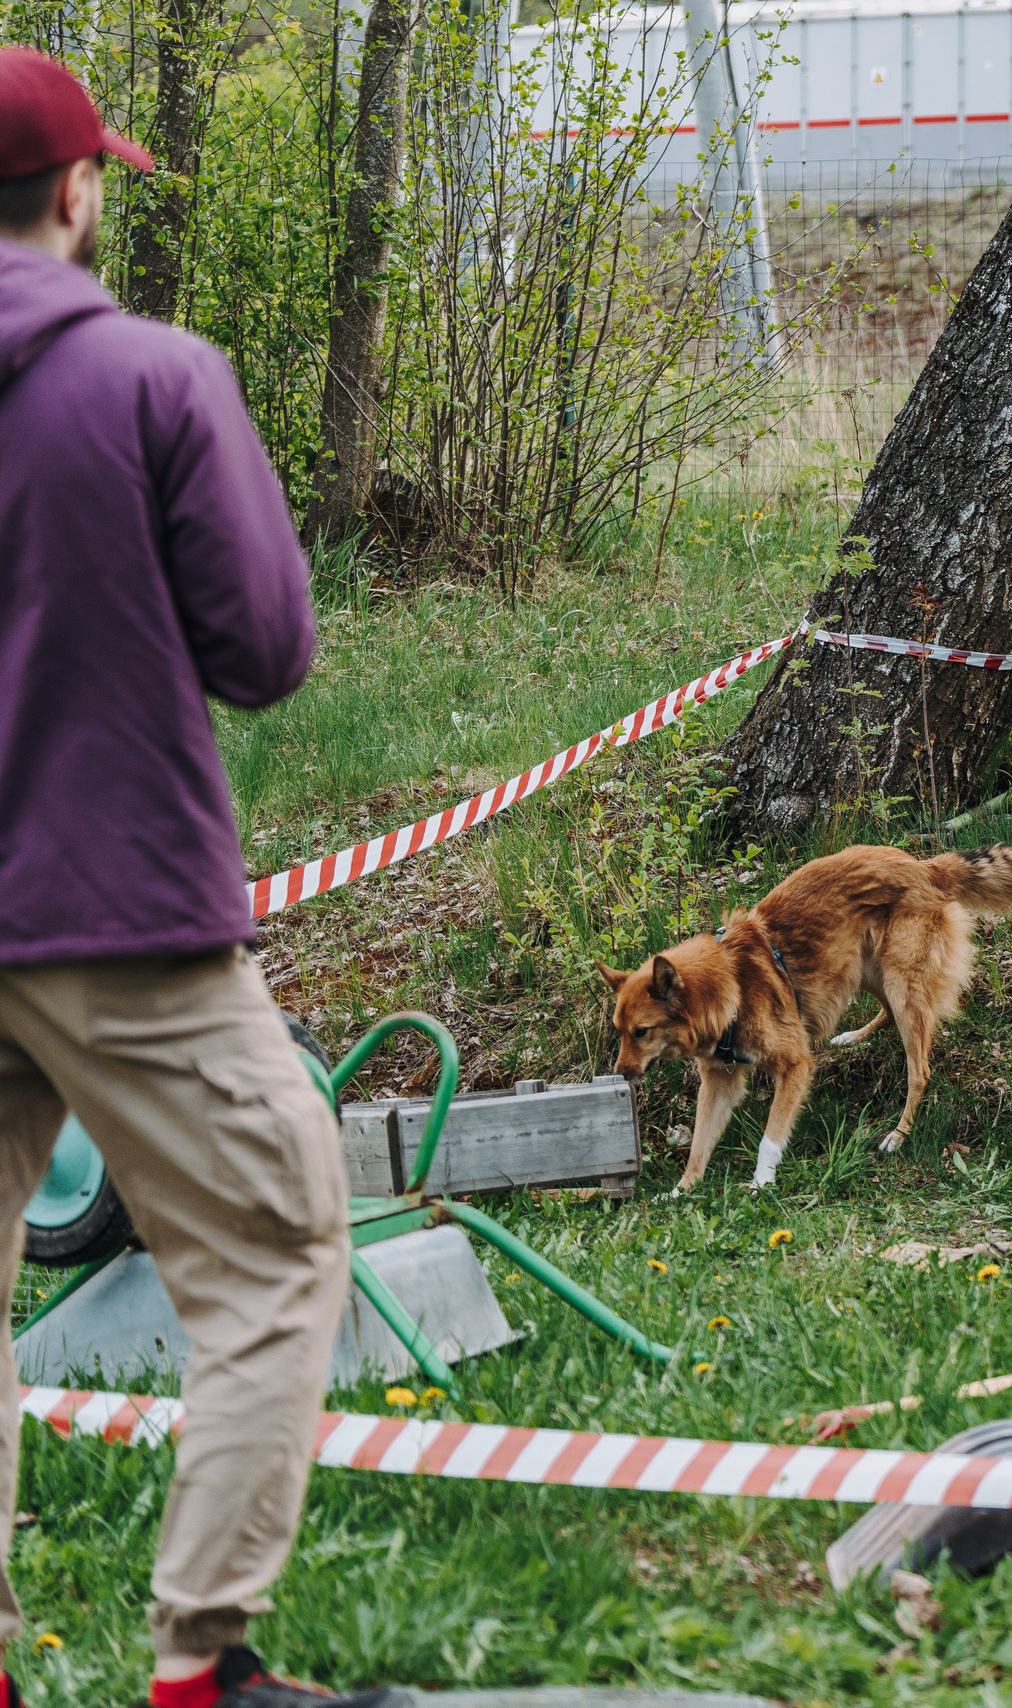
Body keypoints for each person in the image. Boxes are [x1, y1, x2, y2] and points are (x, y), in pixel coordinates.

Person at [0, 48, 408, 1708]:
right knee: (277, 1238)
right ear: (80, 191)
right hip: (115, 910)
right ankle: (201, 1661)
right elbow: (265, 650)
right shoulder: (158, 379)